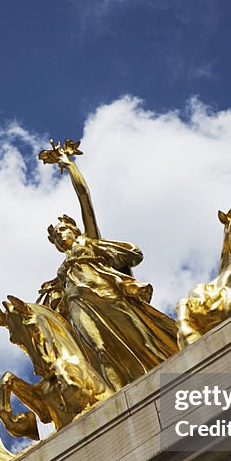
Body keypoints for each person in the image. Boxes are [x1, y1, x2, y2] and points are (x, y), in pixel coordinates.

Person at [36, 142, 179, 389]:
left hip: (108, 296)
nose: (60, 236)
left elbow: (84, 199)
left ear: (74, 230)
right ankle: (121, 396)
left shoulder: (89, 242)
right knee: (98, 351)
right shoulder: (63, 269)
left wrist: (69, 165)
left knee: (145, 341)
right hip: (78, 303)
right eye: (56, 237)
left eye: (63, 230)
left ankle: (177, 373)